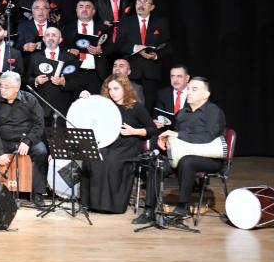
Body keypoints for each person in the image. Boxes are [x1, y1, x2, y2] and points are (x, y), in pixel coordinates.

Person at [77, 75, 151, 215]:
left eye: (116, 88)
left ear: (125, 88)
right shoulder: (106, 105)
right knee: (92, 158)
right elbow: (89, 115)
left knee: (111, 161)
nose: (113, 92)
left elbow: (152, 129)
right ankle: (90, 203)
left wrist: (134, 131)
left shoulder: (136, 106)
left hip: (127, 145)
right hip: (108, 143)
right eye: (110, 89)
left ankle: (112, 205)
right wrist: (86, 98)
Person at [156, 77, 227, 218]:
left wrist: (177, 135)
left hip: (210, 158)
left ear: (206, 94)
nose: (189, 92)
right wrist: (166, 141)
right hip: (181, 155)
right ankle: (151, 207)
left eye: (194, 89)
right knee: (156, 163)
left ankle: (182, 205)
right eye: (188, 89)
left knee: (187, 161)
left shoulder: (213, 111)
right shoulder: (182, 113)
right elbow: (176, 139)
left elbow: (207, 138)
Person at [0, 71, 48, 206]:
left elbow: (39, 124)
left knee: (41, 151)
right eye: (1, 86)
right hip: (3, 141)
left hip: (25, 140)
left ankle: (38, 193)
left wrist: (28, 141)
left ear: (17, 88)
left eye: (6, 87)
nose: (2, 90)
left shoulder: (30, 99)